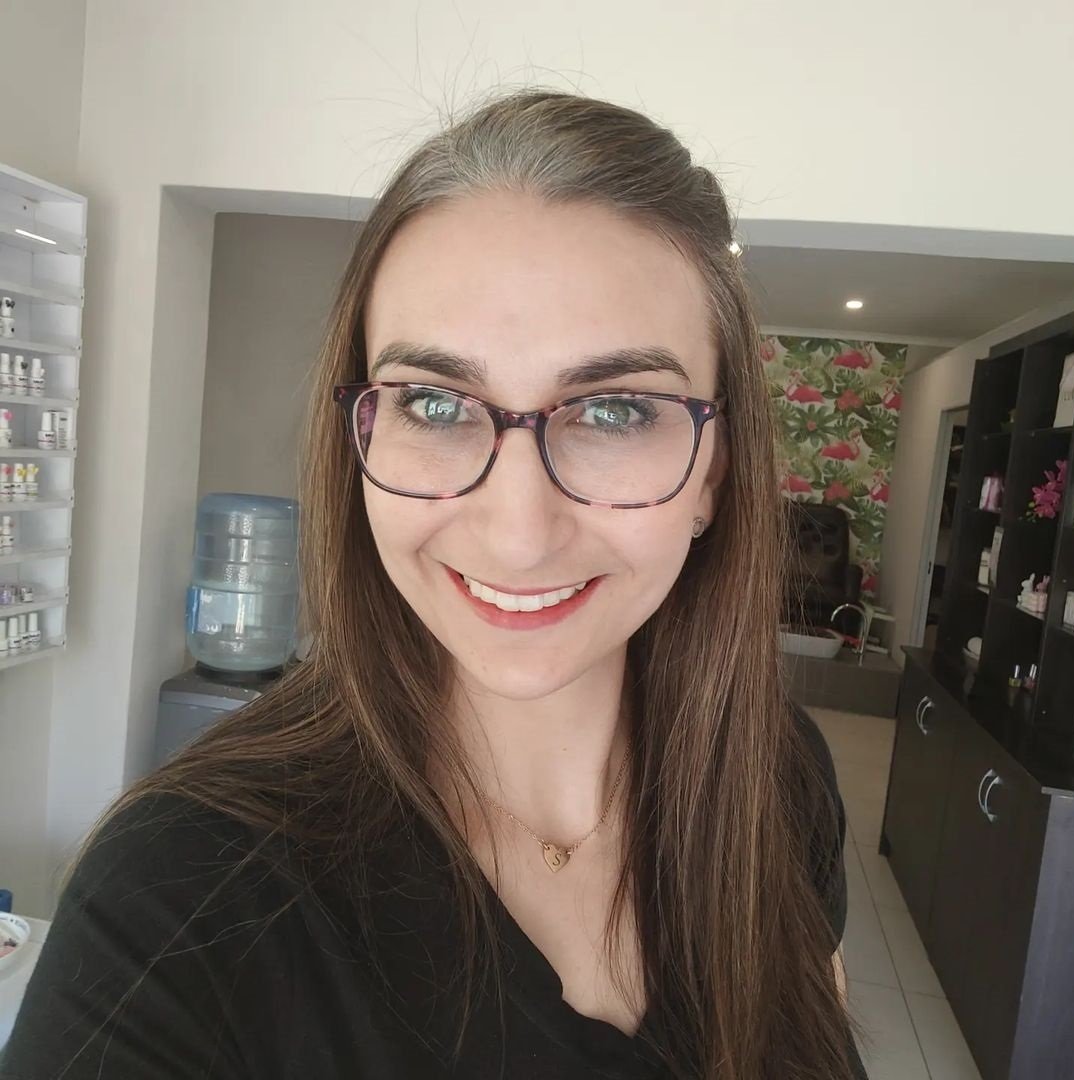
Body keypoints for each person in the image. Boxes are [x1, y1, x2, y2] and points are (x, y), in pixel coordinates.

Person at [1, 88, 868, 1079]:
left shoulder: (775, 777)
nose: (518, 532)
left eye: (617, 411)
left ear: (714, 473)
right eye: (435, 403)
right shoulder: (178, 897)